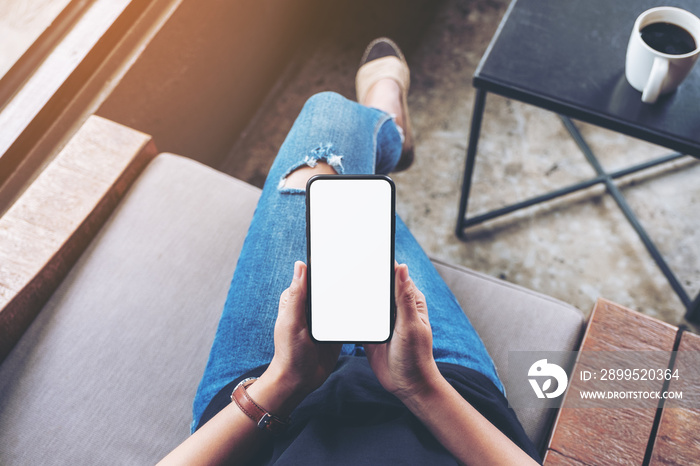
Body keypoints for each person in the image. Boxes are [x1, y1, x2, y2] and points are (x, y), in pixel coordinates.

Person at [159, 38, 541, 465]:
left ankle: (388, 131)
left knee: (327, 125)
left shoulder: (279, 383)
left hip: (263, 412)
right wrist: (419, 386)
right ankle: (388, 130)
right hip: (447, 401)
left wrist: (286, 379)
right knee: (346, 190)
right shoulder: (428, 385)